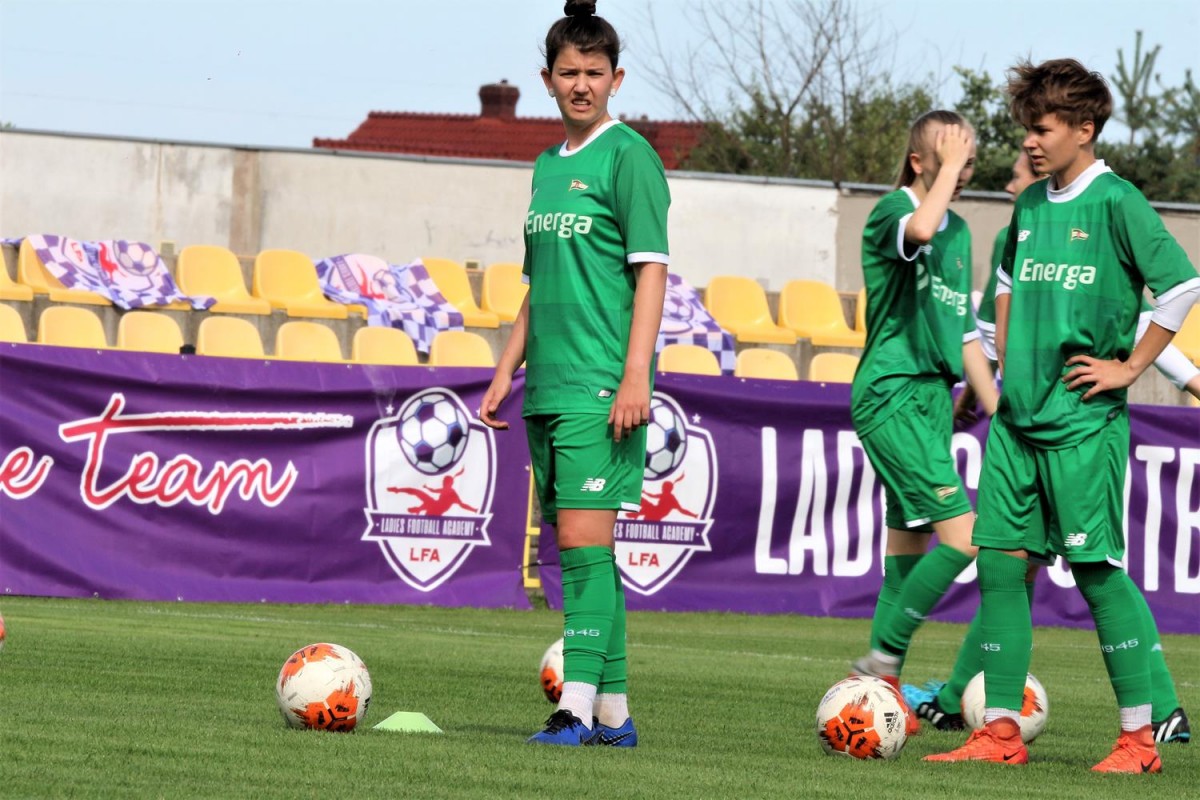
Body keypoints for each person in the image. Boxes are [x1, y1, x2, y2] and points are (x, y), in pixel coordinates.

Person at [926, 58, 1199, 772]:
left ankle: (1140, 741)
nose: (1031, 142)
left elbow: (1180, 286)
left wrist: (1129, 369)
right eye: (1027, 129)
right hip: (1019, 423)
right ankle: (998, 733)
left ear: (1085, 128)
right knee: (1001, 566)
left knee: (1095, 572)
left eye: (1043, 130)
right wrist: (1007, 367)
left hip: (1083, 423)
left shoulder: (1117, 201)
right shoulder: (1030, 207)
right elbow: (1006, 283)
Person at [479, 0, 669, 748]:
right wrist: (506, 369)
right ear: (547, 80)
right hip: (549, 384)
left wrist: (635, 376)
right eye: (568, 73)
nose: (581, 85)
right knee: (587, 552)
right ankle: (615, 719)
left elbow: (651, 272)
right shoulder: (546, 166)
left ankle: (575, 710)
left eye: (594, 72)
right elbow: (538, 285)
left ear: (616, 79)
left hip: (601, 383)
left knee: (585, 552)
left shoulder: (629, 156)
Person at [848, 110, 999, 736]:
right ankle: (879, 661)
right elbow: (919, 228)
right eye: (951, 157)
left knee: (906, 552)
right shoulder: (894, 210)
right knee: (966, 540)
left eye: (971, 158)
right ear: (918, 162)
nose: (964, 169)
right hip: (893, 392)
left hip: (933, 398)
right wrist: (948, 168)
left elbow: (963, 331)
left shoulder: (959, 231)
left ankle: (876, 697)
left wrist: (994, 406)